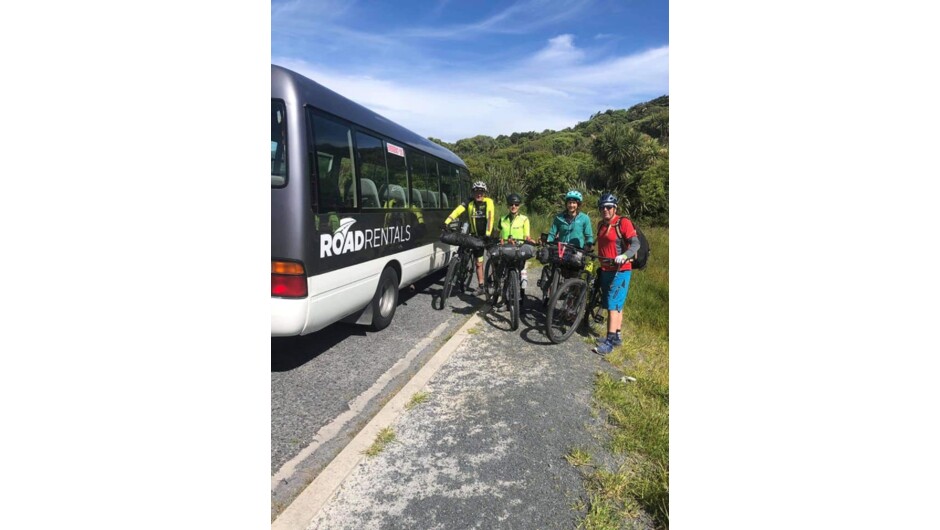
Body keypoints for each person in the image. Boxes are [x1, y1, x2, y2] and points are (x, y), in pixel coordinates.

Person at [592, 192, 640, 355]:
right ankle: (617, 336)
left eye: (608, 207)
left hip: (621, 270)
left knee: (613, 304)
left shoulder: (623, 222)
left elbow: (635, 244)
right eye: (602, 207)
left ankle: (609, 341)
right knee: (616, 303)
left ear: (614, 208)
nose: (605, 210)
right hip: (606, 269)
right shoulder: (600, 225)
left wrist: (625, 256)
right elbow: (599, 242)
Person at [444, 181, 495, 295]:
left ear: (484, 193)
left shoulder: (488, 202)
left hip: (488, 236)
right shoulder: (470, 203)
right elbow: (458, 210)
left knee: (494, 259)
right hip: (476, 238)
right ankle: (481, 286)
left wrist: (487, 234)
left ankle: (495, 283)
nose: (479, 194)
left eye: (481, 191)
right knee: (478, 262)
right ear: (473, 192)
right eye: (476, 191)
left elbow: (490, 218)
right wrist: (446, 222)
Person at [495, 193, 536, 304]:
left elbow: (526, 235)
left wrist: (530, 240)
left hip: (518, 249)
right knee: (501, 274)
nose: (513, 206)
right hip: (505, 248)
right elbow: (499, 233)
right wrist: (500, 239)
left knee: (520, 274)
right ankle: (502, 298)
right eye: (511, 204)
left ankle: (520, 298)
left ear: (519, 206)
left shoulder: (524, 219)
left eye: (516, 204)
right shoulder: (502, 219)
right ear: (508, 206)